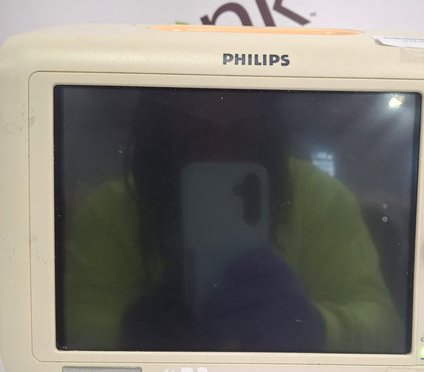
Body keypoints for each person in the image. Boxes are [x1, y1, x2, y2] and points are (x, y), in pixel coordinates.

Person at [60, 89, 402, 354]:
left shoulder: (320, 197)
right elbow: (72, 324)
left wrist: (312, 325)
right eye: (194, 132)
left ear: (267, 133)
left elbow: (384, 327)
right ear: (160, 136)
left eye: (241, 131)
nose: (219, 151)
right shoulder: (111, 207)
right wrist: (132, 329)